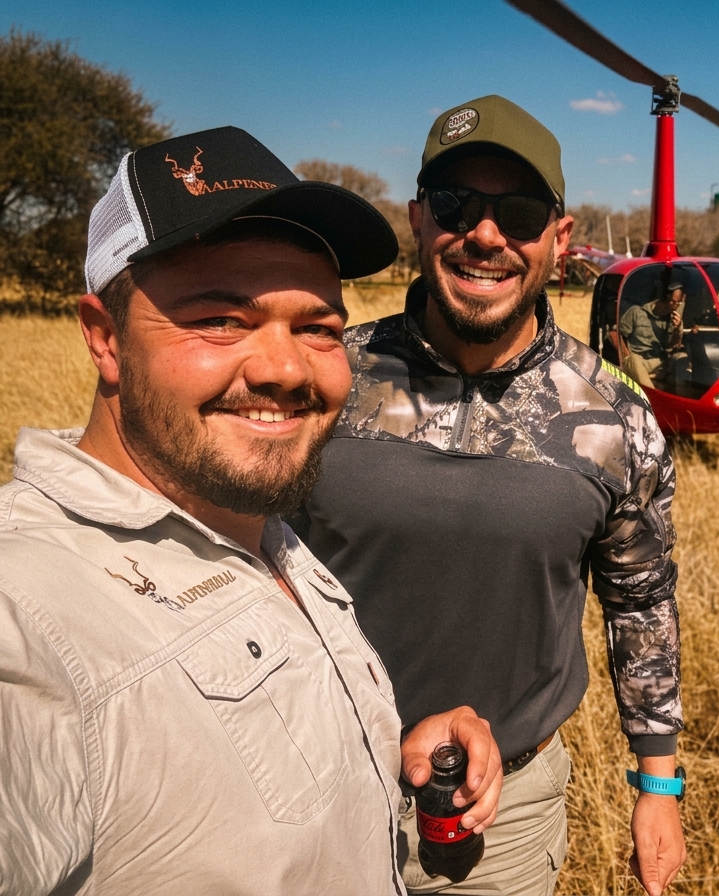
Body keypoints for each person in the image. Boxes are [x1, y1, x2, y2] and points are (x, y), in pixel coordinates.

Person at [0, 126, 502, 896]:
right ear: (104, 339)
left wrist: (383, 748)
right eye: (218, 320)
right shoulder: (25, 611)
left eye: (317, 329)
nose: (284, 369)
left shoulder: (256, 528)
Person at [295, 95, 686, 896]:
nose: (484, 233)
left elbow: (639, 602)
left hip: (502, 818)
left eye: (517, 212)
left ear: (560, 238)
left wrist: (658, 786)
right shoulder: (325, 376)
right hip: (308, 780)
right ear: (416, 219)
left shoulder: (614, 414)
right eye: (454, 205)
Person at [618, 282, 685, 389]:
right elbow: (617, 334)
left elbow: (672, 345)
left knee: (682, 358)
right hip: (639, 361)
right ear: (663, 298)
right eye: (672, 301)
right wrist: (625, 356)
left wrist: (677, 329)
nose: (674, 306)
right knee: (633, 360)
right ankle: (651, 399)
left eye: (678, 303)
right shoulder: (636, 312)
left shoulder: (672, 319)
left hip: (660, 362)